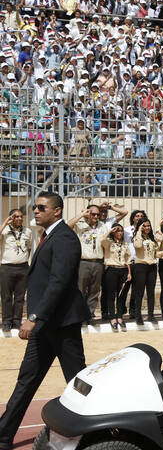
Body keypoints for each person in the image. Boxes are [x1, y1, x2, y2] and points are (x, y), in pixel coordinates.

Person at [0, 192, 88, 449]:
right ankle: (4, 435)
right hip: (45, 326)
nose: (35, 211)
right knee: (26, 379)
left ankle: (97, 431)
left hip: (61, 324)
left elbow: (58, 283)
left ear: (57, 211)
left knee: (77, 382)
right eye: (35, 207)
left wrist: (34, 316)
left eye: (41, 207)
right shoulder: (49, 236)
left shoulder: (65, 239)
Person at [68, 204, 109, 323]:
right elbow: (67, 226)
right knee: (80, 290)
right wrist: (81, 215)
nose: (96, 216)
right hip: (83, 262)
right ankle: (78, 315)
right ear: (87, 213)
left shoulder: (102, 226)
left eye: (97, 214)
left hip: (98, 262)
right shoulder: (80, 225)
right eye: (93, 214)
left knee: (94, 291)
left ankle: (89, 314)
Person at [0, 210, 32, 331]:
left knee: (19, 296)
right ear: (11, 218)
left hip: (22, 267)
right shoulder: (4, 230)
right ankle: (7, 322)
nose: (19, 218)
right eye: (15, 216)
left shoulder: (27, 231)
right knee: (6, 296)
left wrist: (22, 260)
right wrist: (5, 222)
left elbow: (28, 248)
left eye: (20, 216)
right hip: (6, 267)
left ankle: (17, 321)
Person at [100, 223, 131, 331]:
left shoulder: (125, 244)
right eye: (117, 231)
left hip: (123, 270)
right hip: (111, 270)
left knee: (121, 295)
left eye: (121, 231)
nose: (120, 233)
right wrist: (110, 231)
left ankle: (119, 317)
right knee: (111, 295)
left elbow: (128, 259)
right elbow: (102, 240)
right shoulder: (109, 242)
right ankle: (112, 317)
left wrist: (129, 272)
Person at [132, 218, 161, 325]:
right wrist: (139, 230)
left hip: (152, 266)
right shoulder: (137, 237)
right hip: (141, 266)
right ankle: (138, 316)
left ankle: (151, 315)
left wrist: (162, 253)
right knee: (139, 292)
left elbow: (155, 253)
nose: (147, 228)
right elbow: (138, 246)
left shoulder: (151, 238)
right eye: (144, 226)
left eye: (148, 225)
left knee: (151, 292)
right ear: (140, 226)